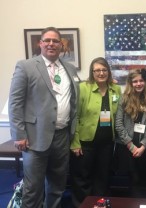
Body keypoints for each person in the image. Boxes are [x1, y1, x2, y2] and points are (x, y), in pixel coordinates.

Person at [8, 26, 80, 208]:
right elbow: (15, 102)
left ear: (61, 45)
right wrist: (19, 135)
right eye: (47, 40)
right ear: (40, 43)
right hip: (34, 137)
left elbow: (72, 101)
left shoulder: (70, 69)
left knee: (57, 186)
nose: (51, 44)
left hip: (62, 137)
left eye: (55, 41)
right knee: (33, 188)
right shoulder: (26, 66)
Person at [70, 57, 121, 206]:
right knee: (82, 178)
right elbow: (75, 116)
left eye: (104, 70)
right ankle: (82, 205)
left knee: (102, 177)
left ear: (109, 72)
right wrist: (74, 142)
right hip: (85, 142)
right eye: (97, 70)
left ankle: (99, 205)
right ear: (92, 72)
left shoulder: (115, 89)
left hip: (106, 143)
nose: (101, 73)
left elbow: (118, 114)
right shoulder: (83, 88)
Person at [115, 68, 146, 197]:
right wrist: (131, 146)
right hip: (126, 147)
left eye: (141, 80)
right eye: (135, 81)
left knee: (143, 179)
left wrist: (143, 146)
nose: (138, 84)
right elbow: (118, 125)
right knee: (132, 180)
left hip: (141, 147)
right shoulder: (123, 99)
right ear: (130, 83)